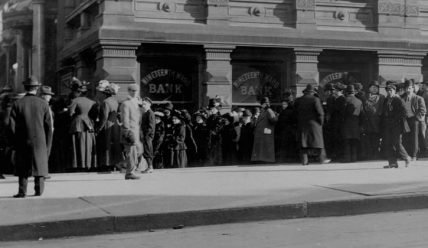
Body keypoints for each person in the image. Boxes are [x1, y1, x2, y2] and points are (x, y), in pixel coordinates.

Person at [9, 76, 53, 197]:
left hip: (22, 139)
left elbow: (11, 126)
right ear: (37, 88)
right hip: (40, 139)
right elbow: (49, 126)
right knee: (39, 164)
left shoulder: (17, 103)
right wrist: (48, 142)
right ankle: (39, 190)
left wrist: (14, 142)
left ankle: (22, 191)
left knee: (22, 166)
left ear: (25, 87)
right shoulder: (43, 104)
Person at [294, 84, 329, 165]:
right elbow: (320, 113)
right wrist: (321, 123)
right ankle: (322, 159)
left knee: (303, 143)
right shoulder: (315, 99)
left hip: (302, 124)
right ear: (312, 92)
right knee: (319, 143)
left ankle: (304, 161)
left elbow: (295, 113)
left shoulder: (298, 100)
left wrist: (297, 122)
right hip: (314, 124)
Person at [68, 80, 98, 172]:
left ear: (79, 92)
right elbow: (94, 115)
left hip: (77, 123)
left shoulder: (75, 100)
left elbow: (70, 113)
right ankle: (88, 164)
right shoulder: (92, 102)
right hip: (88, 123)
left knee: (77, 144)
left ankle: (78, 164)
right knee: (88, 144)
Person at [381, 83, 412, 168]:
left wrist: (395, 119)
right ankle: (392, 163)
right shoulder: (386, 100)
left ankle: (406, 158)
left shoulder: (398, 100)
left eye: (391, 90)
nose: (389, 92)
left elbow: (404, 112)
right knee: (388, 143)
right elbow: (384, 112)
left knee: (397, 142)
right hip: (388, 125)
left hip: (396, 125)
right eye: (388, 90)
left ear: (394, 91)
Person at [96, 83, 122, 172]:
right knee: (115, 144)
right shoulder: (115, 101)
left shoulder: (106, 102)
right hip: (115, 125)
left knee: (106, 144)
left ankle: (107, 164)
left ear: (105, 93)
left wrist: (99, 129)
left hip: (107, 125)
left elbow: (104, 118)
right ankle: (115, 163)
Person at [120, 84, 143, 179]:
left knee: (139, 150)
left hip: (136, 130)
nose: (134, 93)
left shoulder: (137, 102)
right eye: (132, 91)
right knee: (131, 152)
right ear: (128, 91)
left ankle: (124, 165)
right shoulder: (126, 103)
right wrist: (127, 131)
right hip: (130, 131)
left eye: (136, 91)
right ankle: (129, 172)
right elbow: (124, 118)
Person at [400, 80, 426, 161]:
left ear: (413, 89)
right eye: (407, 88)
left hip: (415, 120)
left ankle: (414, 155)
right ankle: (407, 155)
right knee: (405, 137)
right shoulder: (402, 99)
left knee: (414, 138)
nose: (408, 90)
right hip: (405, 120)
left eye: (410, 88)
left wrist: (416, 119)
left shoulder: (418, 98)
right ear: (404, 89)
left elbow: (423, 110)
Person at [362, 81, 385, 160]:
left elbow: (382, 109)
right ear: (369, 88)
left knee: (376, 139)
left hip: (377, 122)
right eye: (373, 87)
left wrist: (379, 115)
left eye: (376, 87)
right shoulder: (365, 97)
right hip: (367, 121)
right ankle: (369, 154)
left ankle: (376, 154)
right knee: (368, 139)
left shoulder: (381, 97)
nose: (375, 89)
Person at [251, 97, 277, 163]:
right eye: (265, 103)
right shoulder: (262, 112)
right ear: (262, 105)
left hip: (266, 132)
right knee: (262, 148)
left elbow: (274, 120)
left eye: (268, 103)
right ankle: (260, 159)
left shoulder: (269, 111)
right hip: (261, 134)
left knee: (266, 147)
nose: (267, 104)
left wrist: (271, 112)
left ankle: (266, 159)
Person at [341, 85, 363, 162]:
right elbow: (362, 114)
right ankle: (354, 158)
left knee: (347, 142)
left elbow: (343, 113)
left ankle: (347, 158)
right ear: (354, 92)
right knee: (354, 141)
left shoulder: (345, 100)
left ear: (347, 92)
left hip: (347, 122)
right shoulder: (359, 101)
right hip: (356, 122)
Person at [276, 92, 297, 162]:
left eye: (284, 104)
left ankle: (286, 158)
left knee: (286, 145)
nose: (283, 105)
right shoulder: (293, 109)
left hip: (286, 130)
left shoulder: (285, 112)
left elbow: (281, 121)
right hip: (291, 130)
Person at [141, 97, 155, 173]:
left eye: (145, 104)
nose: (143, 105)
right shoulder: (146, 113)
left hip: (148, 136)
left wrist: (146, 135)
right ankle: (149, 167)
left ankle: (150, 167)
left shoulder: (150, 113)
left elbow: (151, 126)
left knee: (148, 151)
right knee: (146, 151)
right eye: (143, 104)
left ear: (149, 104)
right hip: (146, 135)